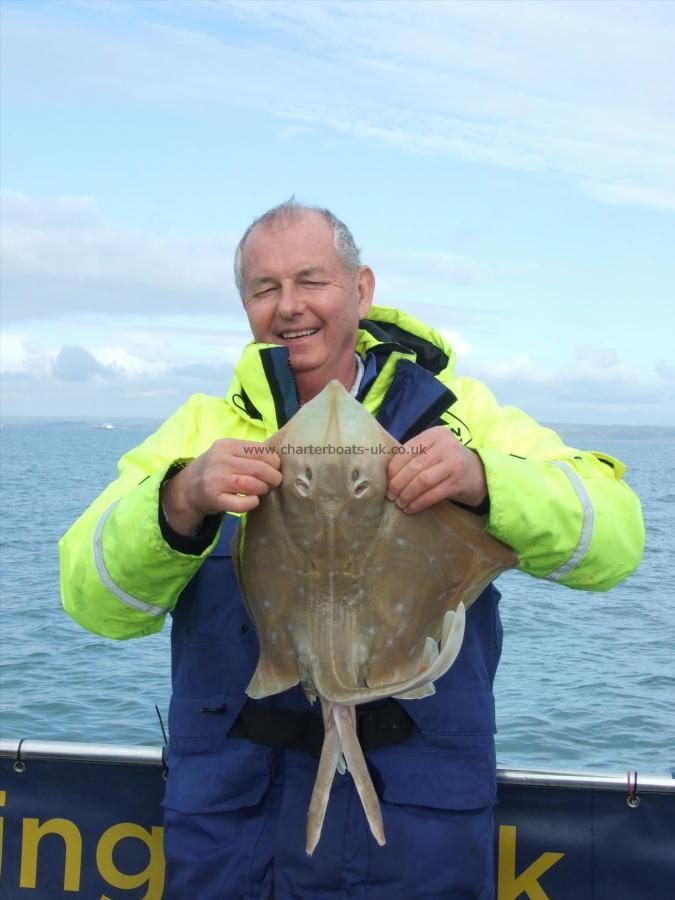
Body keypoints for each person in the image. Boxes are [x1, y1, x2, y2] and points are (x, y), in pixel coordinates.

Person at [60, 201, 645, 899]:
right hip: (233, 830)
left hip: (414, 831)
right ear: (244, 304)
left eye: (312, 281)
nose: (288, 307)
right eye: (264, 288)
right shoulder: (200, 431)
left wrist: (485, 480)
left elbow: (614, 539)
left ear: (361, 289)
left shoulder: (460, 417)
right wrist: (179, 499)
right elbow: (93, 600)